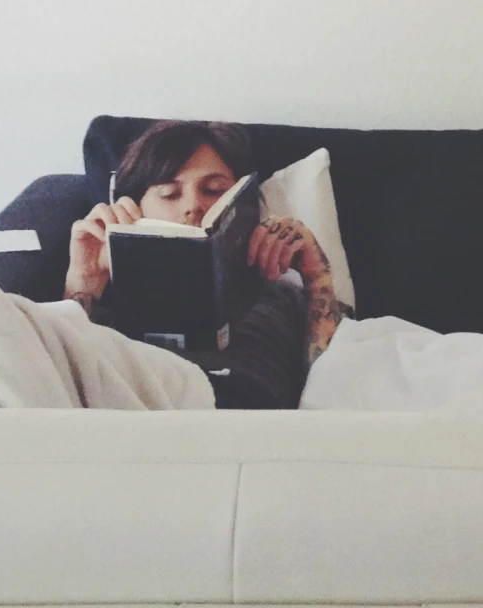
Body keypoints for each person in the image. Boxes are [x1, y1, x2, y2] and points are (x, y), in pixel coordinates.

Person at [62, 120, 347, 407]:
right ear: (134, 208)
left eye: (213, 190)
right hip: (128, 419)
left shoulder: (281, 296)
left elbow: (338, 388)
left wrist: (316, 274)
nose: (192, 206)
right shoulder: (102, 305)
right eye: (170, 194)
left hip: (235, 422)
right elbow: (61, 391)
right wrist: (83, 281)